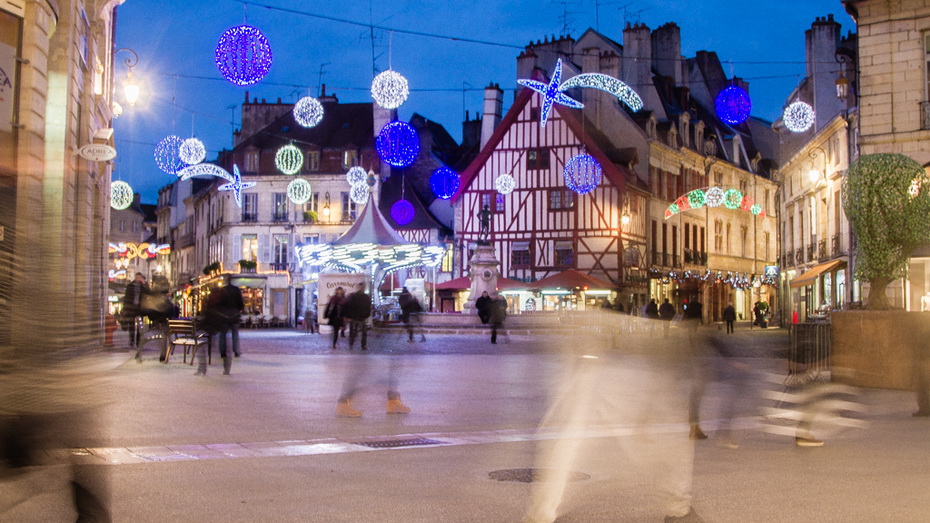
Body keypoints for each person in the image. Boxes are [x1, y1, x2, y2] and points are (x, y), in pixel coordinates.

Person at [202, 275, 244, 375]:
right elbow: (241, 304)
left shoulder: (220, 291)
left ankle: (223, 352)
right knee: (234, 333)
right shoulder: (236, 290)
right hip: (234, 315)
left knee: (223, 334)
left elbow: (216, 305)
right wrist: (237, 311)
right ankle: (236, 350)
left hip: (223, 316)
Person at [122, 273, 149, 349]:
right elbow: (126, 298)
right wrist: (126, 308)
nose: (138, 279)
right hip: (131, 309)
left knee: (140, 326)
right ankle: (131, 340)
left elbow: (149, 293)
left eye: (140, 277)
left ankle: (138, 341)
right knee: (131, 326)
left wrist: (144, 284)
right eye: (137, 277)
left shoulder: (143, 287)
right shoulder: (130, 286)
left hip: (140, 309)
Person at [344, 282, 372, 350]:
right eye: (361, 287)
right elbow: (349, 307)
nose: (362, 288)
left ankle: (363, 345)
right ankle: (352, 344)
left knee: (363, 332)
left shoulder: (365, 297)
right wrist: (349, 316)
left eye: (363, 287)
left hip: (362, 316)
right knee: (354, 332)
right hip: (355, 316)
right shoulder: (354, 296)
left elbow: (368, 307)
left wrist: (367, 314)